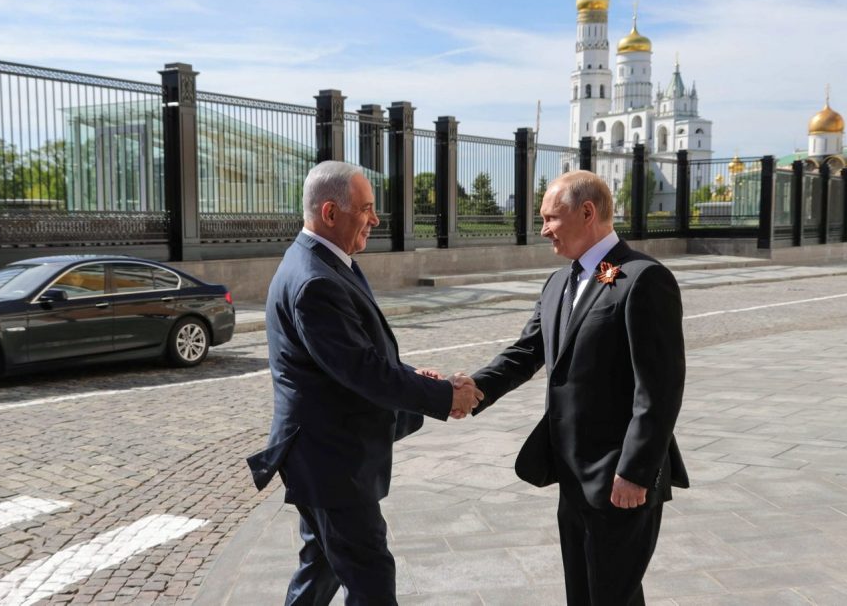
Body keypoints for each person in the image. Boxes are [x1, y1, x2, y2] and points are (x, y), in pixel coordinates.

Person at [246, 160, 483, 605]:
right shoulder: (315, 280)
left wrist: (414, 376)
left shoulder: (325, 261)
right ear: (331, 213)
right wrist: (444, 394)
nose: (375, 219)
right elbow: (362, 372)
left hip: (323, 458)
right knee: (371, 578)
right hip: (331, 461)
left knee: (320, 569)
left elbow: (355, 357)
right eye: (367, 208)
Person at [464, 170, 688, 605]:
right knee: (585, 594)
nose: (544, 229)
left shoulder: (642, 279)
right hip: (572, 474)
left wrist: (635, 472)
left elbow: (659, 389)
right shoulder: (560, 283)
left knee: (611, 595)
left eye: (551, 218)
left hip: (621, 476)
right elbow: (525, 353)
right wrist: (471, 388)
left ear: (587, 212)